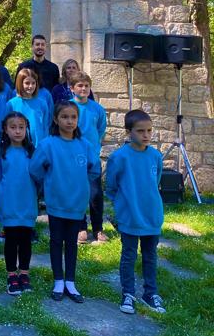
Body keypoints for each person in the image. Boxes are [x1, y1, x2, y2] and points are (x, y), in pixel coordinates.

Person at [29, 100, 100, 304]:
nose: (69, 121)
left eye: (73, 117)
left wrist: (81, 185)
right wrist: (49, 184)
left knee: (72, 242)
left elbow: (94, 169)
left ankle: (70, 281)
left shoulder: (84, 145)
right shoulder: (48, 144)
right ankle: (58, 280)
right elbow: (35, 168)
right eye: (65, 117)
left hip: (76, 202)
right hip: (56, 201)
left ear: (78, 119)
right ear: (56, 119)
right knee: (56, 240)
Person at [106, 110, 166, 314]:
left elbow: (155, 181)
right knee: (129, 255)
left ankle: (150, 293)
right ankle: (128, 293)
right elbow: (111, 187)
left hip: (152, 215)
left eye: (149, 130)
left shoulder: (156, 156)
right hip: (130, 216)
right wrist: (123, 206)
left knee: (150, 255)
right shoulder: (119, 157)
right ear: (129, 132)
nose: (146, 135)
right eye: (140, 131)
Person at [0, 112, 37, 296]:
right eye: (13, 127)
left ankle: (24, 273)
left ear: (26, 129)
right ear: (5, 129)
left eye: (21, 127)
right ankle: (11, 275)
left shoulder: (32, 152)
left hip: (27, 202)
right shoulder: (1, 153)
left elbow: (38, 176)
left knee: (26, 239)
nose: (17, 131)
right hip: (8, 202)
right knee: (11, 239)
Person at [69, 72, 108, 244]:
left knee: (95, 194)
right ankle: (80, 227)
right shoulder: (68, 108)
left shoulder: (97, 109)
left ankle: (98, 228)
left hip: (91, 157)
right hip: (72, 158)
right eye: (79, 85)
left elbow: (100, 129)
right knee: (77, 192)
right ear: (72, 89)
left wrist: (93, 148)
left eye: (86, 85)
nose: (83, 88)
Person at [3, 69, 50, 147]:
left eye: (33, 83)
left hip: (39, 145)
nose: (30, 86)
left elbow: (45, 126)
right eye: (27, 83)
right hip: (17, 145)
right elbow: (5, 126)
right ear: (20, 84)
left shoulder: (42, 103)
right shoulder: (11, 104)